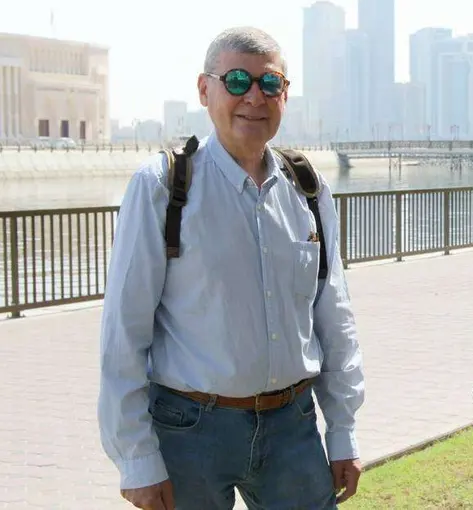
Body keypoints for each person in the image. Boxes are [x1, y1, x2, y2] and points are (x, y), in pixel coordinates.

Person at [98, 26, 365, 510]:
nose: (254, 98)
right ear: (205, 89)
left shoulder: (308, 190)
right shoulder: (162, 187)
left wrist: (343, 431)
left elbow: (334, 317)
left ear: (285, 93)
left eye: (270, 83)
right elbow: (124, 334)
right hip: (188, 430)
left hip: (293, 425)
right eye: (237, 81)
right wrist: (136, 459)